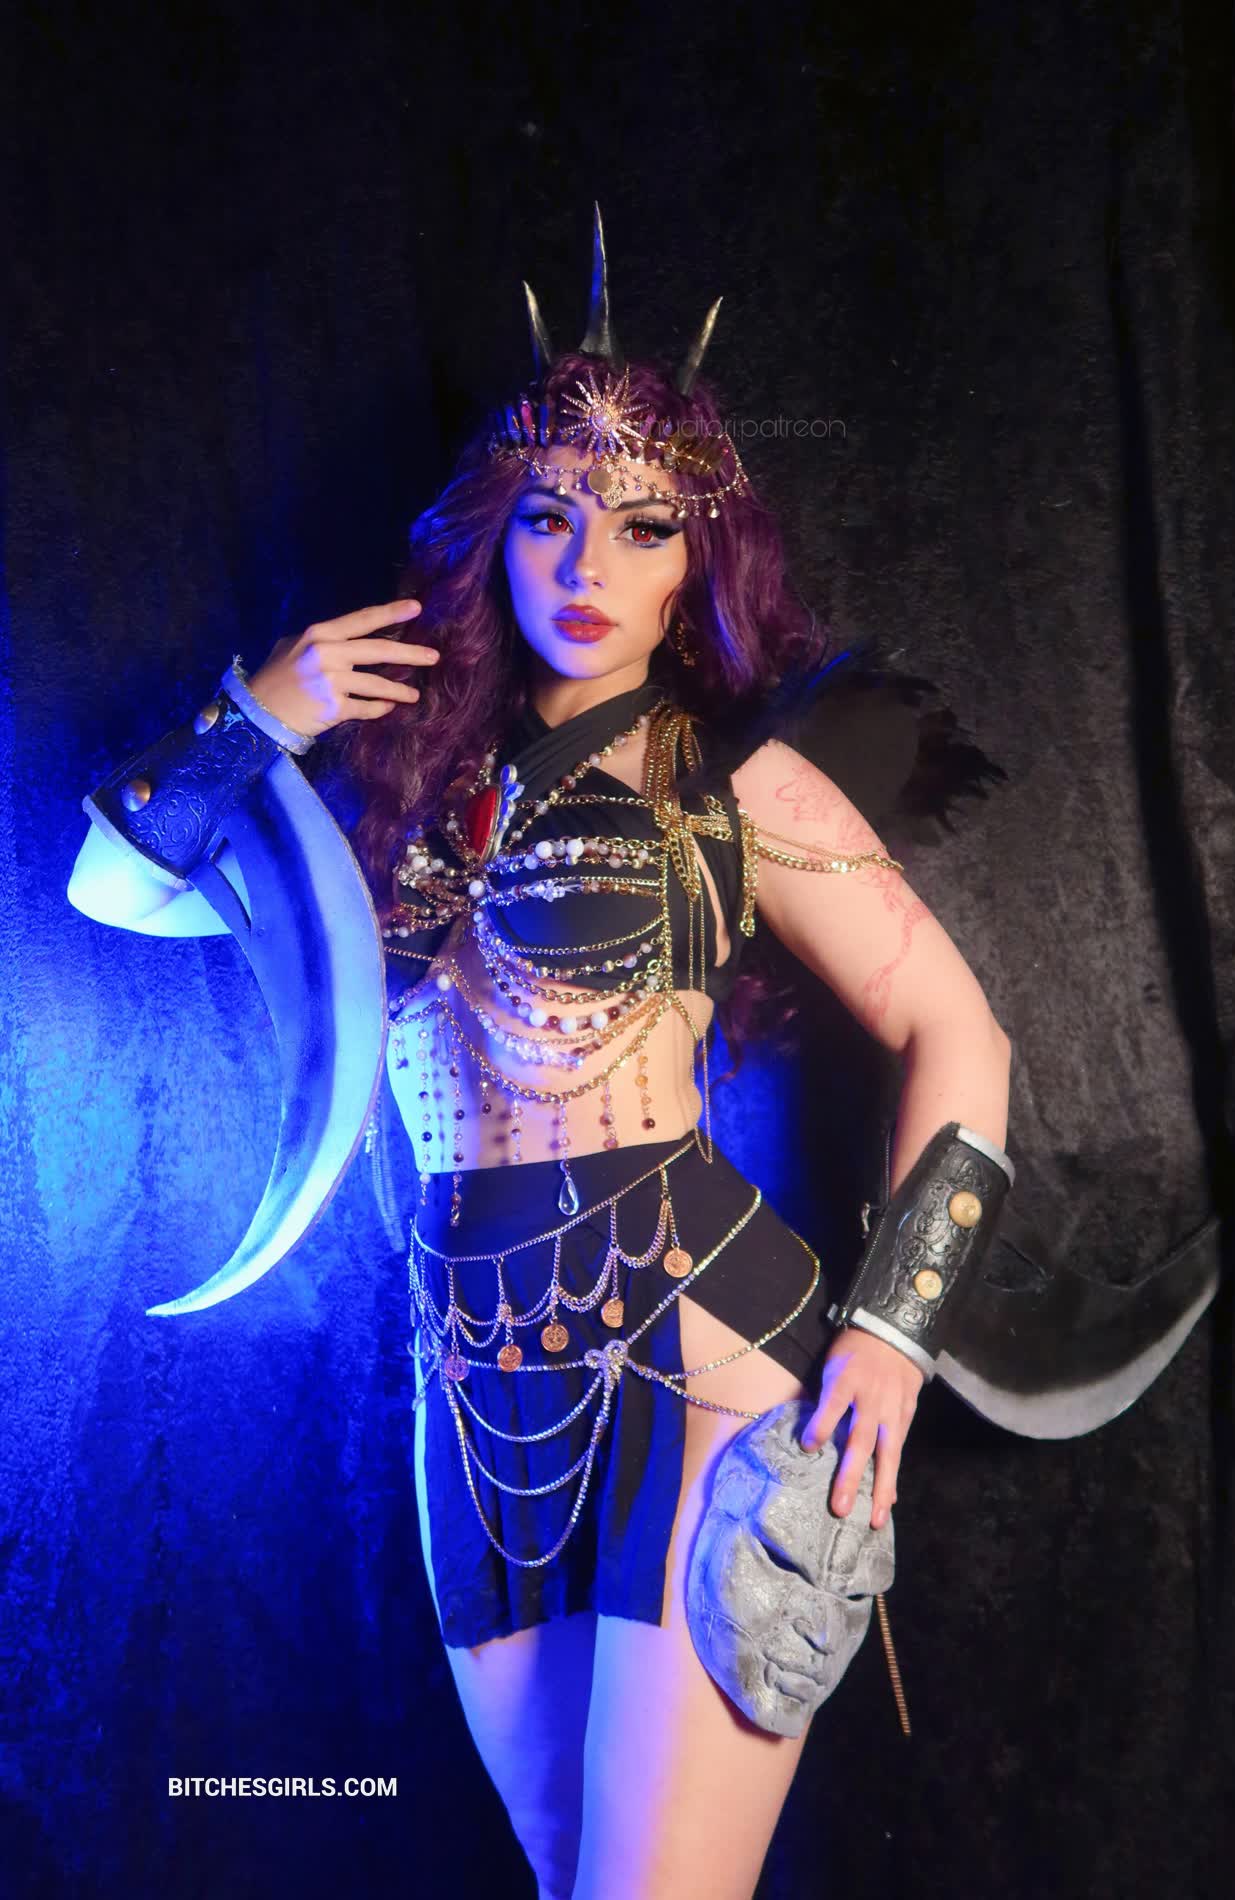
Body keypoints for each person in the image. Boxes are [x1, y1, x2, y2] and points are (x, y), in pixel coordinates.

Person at [68, 209, 1012, 1899]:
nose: (588, 567)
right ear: (493, 532)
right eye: (549, 516)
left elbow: (961, 1029)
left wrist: (892, 1333)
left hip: (698, 1343)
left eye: (642, 527)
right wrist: (255, 722)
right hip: (468, 1370)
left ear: (695, 561)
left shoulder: (737, 784)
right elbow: (112, 892)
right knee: (570, 1869)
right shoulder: (381, 787)